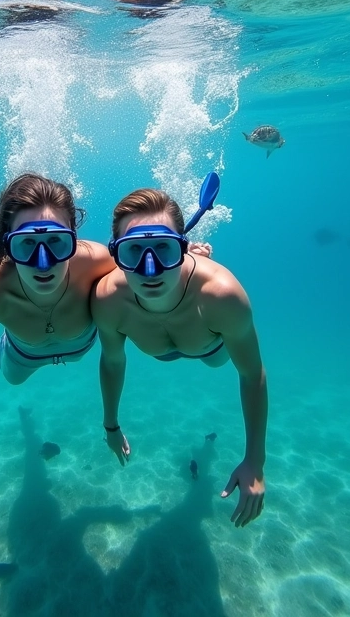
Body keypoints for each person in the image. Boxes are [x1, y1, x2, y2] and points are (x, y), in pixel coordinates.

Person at [0, 172, 113, 539]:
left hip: (80, 347)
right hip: (21, 356)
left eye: (57, 242)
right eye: (26, 244)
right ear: (7, 244)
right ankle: (14, 366)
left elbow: (152, 257)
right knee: (13, 379)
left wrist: (189, 254)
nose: (43, 262)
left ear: (74, 240)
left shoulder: (99, 261)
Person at [91, 187, 268, 528]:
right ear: (116, 254)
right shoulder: (108, 299)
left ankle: (197, 255)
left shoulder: (222, 296)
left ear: (181, 248)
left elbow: (252, 374)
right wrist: (110, 425)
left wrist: (255, 462)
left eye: (164, 248)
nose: (150, 269)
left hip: (211, 347)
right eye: (133, 250)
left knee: (216, 360)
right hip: (170, 345)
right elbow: (112, 361)